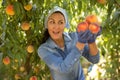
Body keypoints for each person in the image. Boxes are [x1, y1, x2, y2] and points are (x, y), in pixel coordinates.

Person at [38, 6, 101, 80]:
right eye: (52, 22)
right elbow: (62, 68)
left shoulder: (75, 37)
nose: (56, 27)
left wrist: (91, 41)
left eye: (61, 22)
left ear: (65, 24)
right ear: (47, 25)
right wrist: (80, 44)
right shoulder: (43, 50)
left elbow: (95, 59)